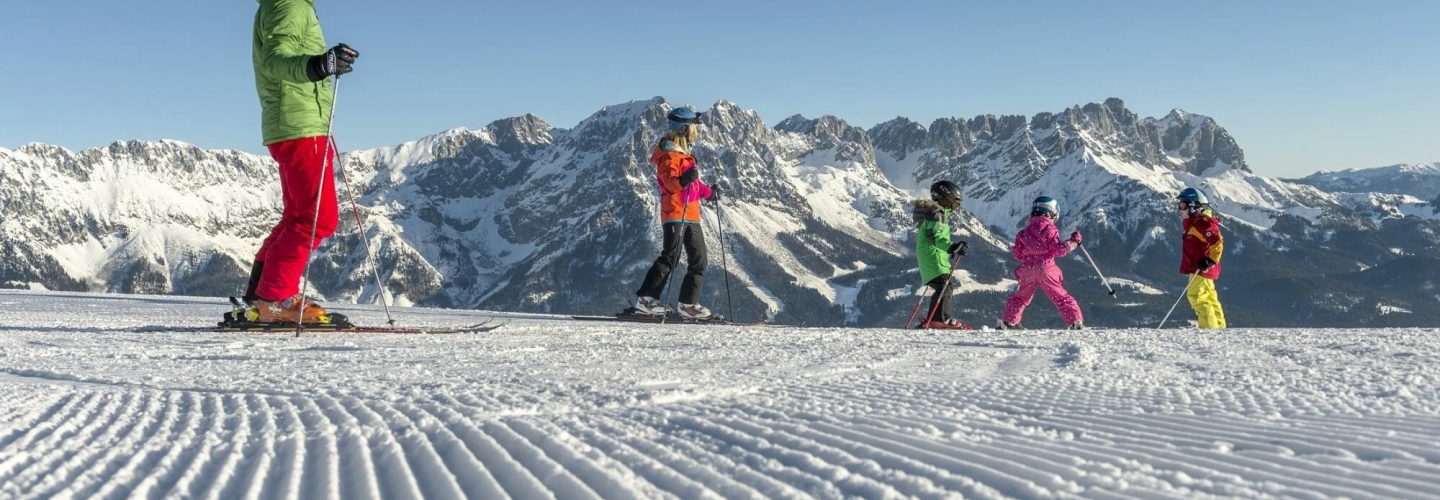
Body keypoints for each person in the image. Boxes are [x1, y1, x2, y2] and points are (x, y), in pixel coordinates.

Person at [237, 0, 360, 324]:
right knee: (319, 218)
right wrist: (318, 65)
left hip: (295, 124)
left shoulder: (284, 5)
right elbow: (275, 58)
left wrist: (322, 64)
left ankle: (260, 295)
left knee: (297, 215)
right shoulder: (289, 5)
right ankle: (274, 300)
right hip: (301, 127)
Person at [632, 106, 718, 319]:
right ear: (683, 130)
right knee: (671, 257)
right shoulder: (668, 156)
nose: (695, 134)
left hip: (691, 215)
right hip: (675, 214)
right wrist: (682, 180)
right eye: (692, 129)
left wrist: (709, 193)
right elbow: (668, 184)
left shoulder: (687, 156)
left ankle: (688, 304)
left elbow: (694, 186)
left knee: (700, 260)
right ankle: (646, 300)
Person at [1000, 196, 1084, 330]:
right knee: (1061, 297)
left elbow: (1017, 254)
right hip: (1046, 268)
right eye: (1054, 217)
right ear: (1049, 214)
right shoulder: (1049, 229)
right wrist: (1073, 242)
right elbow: (1059, 250)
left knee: (1020, 298)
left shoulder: (1023, 233)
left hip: (1027, 269)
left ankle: (1010, 322)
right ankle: (1075, 321)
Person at [912, 181, 971, 329]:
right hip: (934, 258)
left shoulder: (935, 214)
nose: (954, 208)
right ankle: (940, 319)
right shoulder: (936, 214)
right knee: (945, 286)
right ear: (944, 198)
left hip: (933, 258)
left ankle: (936, 318)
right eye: (954, 204)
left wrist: (950, 249)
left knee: (943, 286)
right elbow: (937, 238)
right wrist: (952, 247)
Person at [1177, 187, 1227, 329]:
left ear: (1194, 206)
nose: (1180, 209)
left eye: (1183, 205)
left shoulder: (1202, 223)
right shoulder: (1194, 222)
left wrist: (1210, 260)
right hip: (1202, 267)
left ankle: (1209, 329)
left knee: (1196, 296)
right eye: (1179, 205)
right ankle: (1219, 328)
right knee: (1210, 297)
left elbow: (1217, 241)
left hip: (1202, 267)